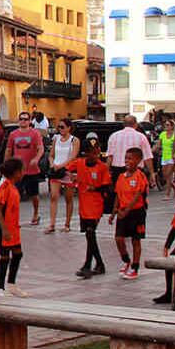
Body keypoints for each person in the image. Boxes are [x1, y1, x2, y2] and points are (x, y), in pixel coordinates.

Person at [66, 142, 111, 278]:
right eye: (90, 152)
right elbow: (66, 168)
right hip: (84, 206)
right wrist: (71, 177)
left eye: (95, 152)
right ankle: (99, 264)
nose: (93, 155)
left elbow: (107, 187)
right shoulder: (80, 163)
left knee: (91, 232)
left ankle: (87, 265)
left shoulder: (102, 168)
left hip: (96, 205)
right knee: (89, 235)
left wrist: (95, 188)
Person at [109, 147, 149, 281]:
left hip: (136, 213)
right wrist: (114, 212)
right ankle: (126, 260)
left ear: (138, 160)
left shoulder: (140, 176)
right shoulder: (121, 176)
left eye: (130, 158)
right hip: (122, 212)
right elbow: (118, 195)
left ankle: (135, 267)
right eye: (126, 158)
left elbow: (138, 195)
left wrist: (127, 210)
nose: (127, 161)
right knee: (119, 238)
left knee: (135, 240)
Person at [104, 115, 154, 213]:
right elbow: (148, 157)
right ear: (135, 125)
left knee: (119, 195)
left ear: (124, 124)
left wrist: (107, 172)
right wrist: (152, 173)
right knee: (137, 194)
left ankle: (119, 213)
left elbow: (110, 156)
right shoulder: (141, 136)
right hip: (135, 171)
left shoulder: (114, 136)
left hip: (118, 170)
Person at [0, 159, 27, 296]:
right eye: (22, 170)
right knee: (4, 257)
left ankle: (11, 284)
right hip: (3, 228)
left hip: (13, 227)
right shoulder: (5, 187)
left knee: (18, 254)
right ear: (16, 172)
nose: (23, 173)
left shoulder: (13, 186)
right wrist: (4, 229)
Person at [6, 112, 46, 225]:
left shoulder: (35, 134)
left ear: (29, 121)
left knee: (33, 195)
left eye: (25, 119)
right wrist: (6, 164)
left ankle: (36, 213)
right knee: (15, 196)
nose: (23, 121)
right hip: (17, 171)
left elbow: (41, 148)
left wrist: (36, 159)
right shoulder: (13, 134)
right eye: (21, 119)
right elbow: (8, 150)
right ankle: (14, 217)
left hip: (31, 170)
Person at [45, 118, 80, 233]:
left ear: (69, 128)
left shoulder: (74, 140)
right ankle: (52, 224)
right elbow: (51, 155)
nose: (60, 129)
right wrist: (52, 164)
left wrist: (61, 166)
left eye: (62, 127)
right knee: (54, 196)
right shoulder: (56, 139)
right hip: (56, 170)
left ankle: (67, 224)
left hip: (67, 171)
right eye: (59, 127)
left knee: (68, 198)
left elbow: (73, 157)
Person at [157, 120, 175, 199]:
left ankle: (167, 194)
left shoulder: (174, 135)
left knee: (169, 175)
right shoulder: (162, 134)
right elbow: (159, 144)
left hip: (171, 156)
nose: (166, 126)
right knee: (164, 175)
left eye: (168, 125)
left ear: (172, 126)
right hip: (164, 156)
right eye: (165, 125)